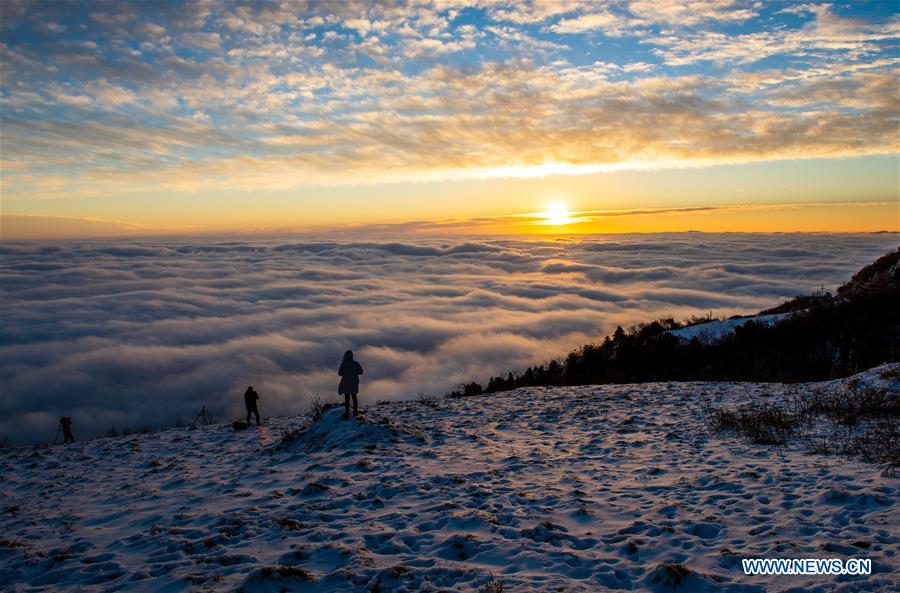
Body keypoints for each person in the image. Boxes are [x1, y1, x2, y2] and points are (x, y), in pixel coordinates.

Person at [338, 350, 364, 418]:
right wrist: (354, 372)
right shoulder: (356, 363)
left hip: (346, 382)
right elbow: (361, 372)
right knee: (354, 396)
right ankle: (355, 411)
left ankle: (347, 412)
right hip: (354, 382)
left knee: (347, 397)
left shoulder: (343, 364)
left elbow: (340, 373)